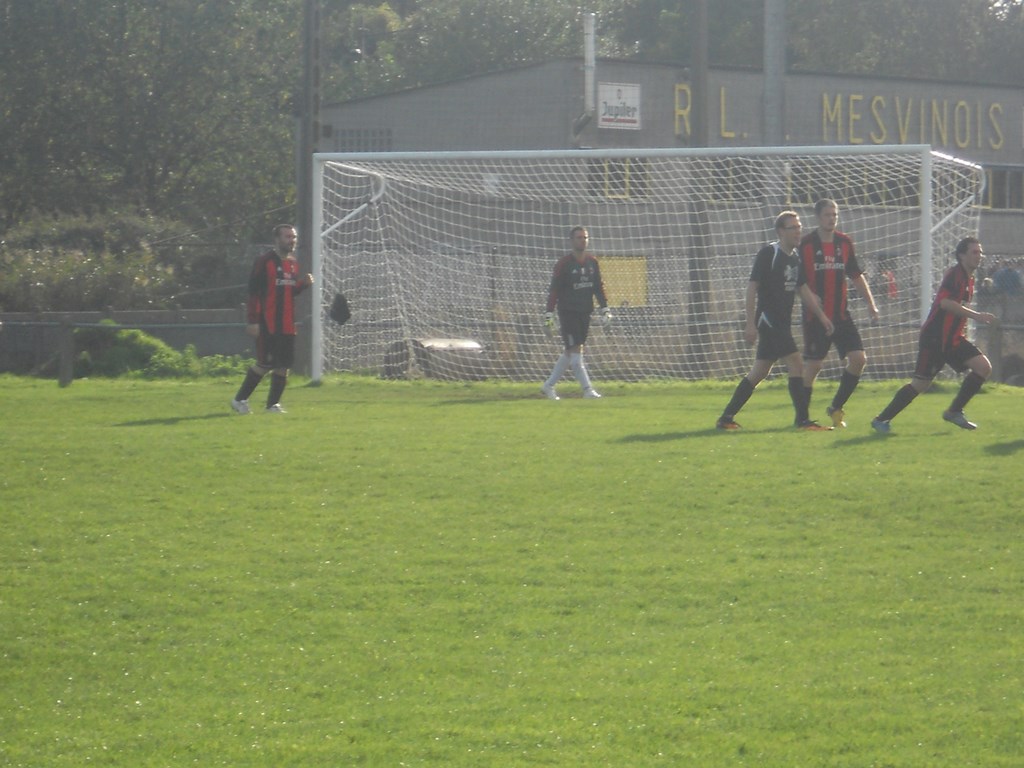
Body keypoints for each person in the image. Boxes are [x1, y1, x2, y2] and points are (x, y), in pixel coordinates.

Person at [716, 211, 835, 431]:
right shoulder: (769, 253)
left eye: (799, 227)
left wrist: (822, 316)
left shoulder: (795, 257)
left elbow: (803, 289)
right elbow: (752, 288)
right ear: (781, 231)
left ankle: (726, 418)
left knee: (760, 371)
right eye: (793, 228)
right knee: (796, 363)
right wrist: (750, 323)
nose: (798, 231)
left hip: (781, 322)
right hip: (769, 320)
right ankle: (803, 421)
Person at [871, 237, 996, 433]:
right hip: (935, 339)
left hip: (953, 339)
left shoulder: (969, 278)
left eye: (980, 252)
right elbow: (945, 303)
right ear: (962, 255)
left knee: (983, 367)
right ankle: (881, 420)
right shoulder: (954, 274)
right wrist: (977, 316)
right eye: (974, 252)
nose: (979, 256)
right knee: (920, 384)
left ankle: (954, 411)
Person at [799, 199, 880, 428]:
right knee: (814, 366)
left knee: (859, 359)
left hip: (841, 315)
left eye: (834, 214)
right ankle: (802, 416)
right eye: (827, 215)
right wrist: (810, 298)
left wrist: (871, 304)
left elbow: (856, 275)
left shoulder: (844, 242)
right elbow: (799, 281)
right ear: (818, 217)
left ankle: (836, 407)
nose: (832, 219)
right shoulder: (806, 244)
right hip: (815, 317)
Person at [230, 224, 313, 414]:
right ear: (277, 239)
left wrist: (303, 285)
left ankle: (272, 405)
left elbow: (288, 291)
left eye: (293, 237)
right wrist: (253, 321)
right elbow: (254, 292)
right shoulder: (264, 261)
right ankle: (239, 400)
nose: (292, 240)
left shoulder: (293, 263)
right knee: (264, 364)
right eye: (287, 237)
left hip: (287, 325)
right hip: (268, 323)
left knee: (283, 366)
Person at [541, 226, 611, 399]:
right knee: (576, 351)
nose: (583, 240)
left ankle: (548, 386)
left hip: (585, 312)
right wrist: (549, 314)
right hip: (568, 313)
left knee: (570, 351)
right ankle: (587, 390)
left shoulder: (592, 262)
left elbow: (598, 287)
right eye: (579, 237)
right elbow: (554, 290)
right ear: (571, 241)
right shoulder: (564, 264)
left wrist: (605, 309)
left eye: (585, 237)